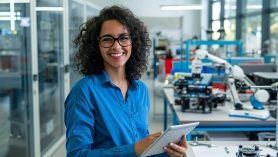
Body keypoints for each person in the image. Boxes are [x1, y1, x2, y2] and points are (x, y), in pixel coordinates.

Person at [64, 5, 188, 157]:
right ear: (96, 45)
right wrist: (134, 149)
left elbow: (143, 150)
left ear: (133, 42)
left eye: (123, 38)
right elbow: (77, 154)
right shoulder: (84, 92)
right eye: (107, 39)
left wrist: (169, 152)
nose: (117, 46)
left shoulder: (140, 90)